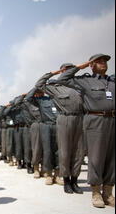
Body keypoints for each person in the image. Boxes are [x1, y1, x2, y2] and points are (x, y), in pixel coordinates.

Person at [54, 54, 114, 208]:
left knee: (112, 158)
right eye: (99, 62)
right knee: (96, 157)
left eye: (105, 62)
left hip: (112, 120)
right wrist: (80, 67)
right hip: (95, 120)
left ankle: (108, 192)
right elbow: (62, 80)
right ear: (92, 65)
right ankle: (96, 193)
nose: (103, 64)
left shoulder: (112, 83)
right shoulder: (85, 81)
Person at [36, 63, 84, 194]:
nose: (70, 72)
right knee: (65, 151)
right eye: (67, 70)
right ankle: (66, 180)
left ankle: (75, 180)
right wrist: (53, 73)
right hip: (65, 119)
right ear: (62, 71)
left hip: (80, 119)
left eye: (71, 70)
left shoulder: (79, 85)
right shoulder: (54, 87)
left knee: (79, 152)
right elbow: (39, 85)